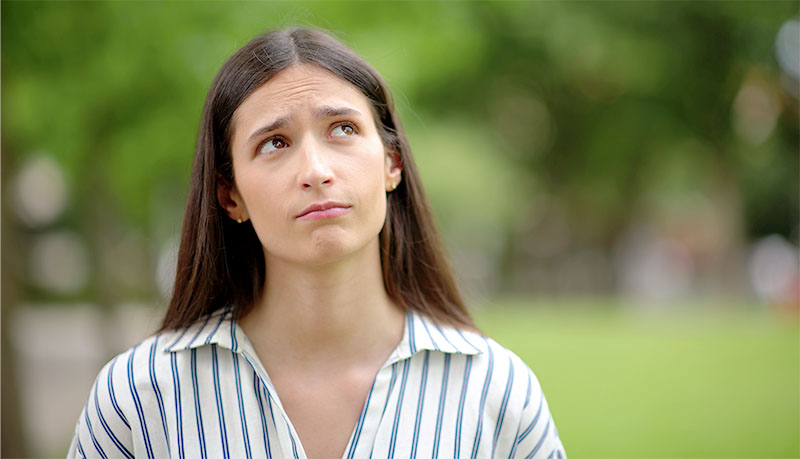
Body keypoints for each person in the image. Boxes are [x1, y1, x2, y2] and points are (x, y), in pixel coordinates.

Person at [67, 27, 566, 459]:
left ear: (391, 164)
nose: (316, 171)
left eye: (343, 129)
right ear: (230, 194)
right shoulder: (139, 397)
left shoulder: (497, 391)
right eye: (275, 143)